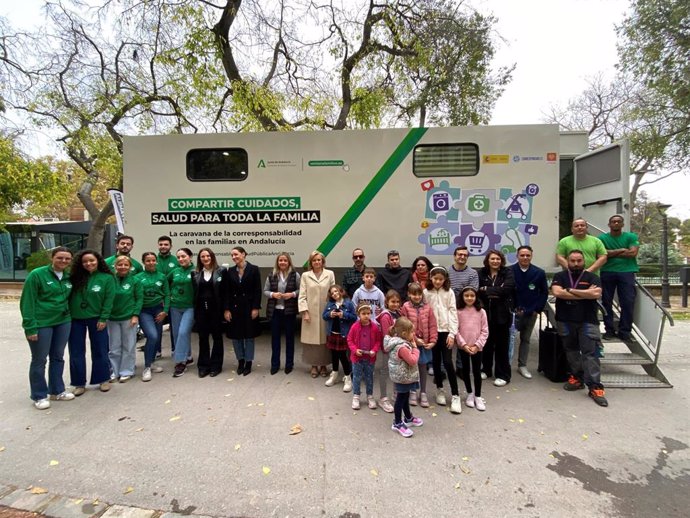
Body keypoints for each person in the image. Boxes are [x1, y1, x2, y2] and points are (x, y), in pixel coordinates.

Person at [551, 250, 608, 407]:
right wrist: (585, 293)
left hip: (587, 322)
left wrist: (570, 290)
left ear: (584, 261)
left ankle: (595, 387)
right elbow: (557, 292)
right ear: (567, 262)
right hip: (565, 321)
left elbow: (595, 294)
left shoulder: (592, 277)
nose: (576, 263)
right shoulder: (560, 277)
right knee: (571, 351)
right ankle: (577, 378)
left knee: (590, 354)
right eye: (573, 260)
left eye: (579, 260)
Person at [20, 247, 75, 409]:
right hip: (42, 323)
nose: (63, 261)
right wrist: (30, 327)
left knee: (58, 357)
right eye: (60, 258)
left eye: (67, 259)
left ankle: (57, 391)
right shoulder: (37, 275)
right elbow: (27, 302)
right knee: (39, 359)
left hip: (63, 321)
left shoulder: (68, 276)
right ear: (52, 258)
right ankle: (39, 395)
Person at [68, 249, 116, 395]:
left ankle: (103, 379)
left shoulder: (107, 278)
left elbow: (109, 300)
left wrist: (103, 317)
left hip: (97, 318)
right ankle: (78, 383)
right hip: (75, 319)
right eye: (85, 261)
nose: (89, 263)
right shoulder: (73, 277)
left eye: (92, 260)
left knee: (100, 350)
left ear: (98, 261)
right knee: (76, 352)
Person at [424, 266, 461, 414]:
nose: (438, 281)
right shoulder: (426, 292)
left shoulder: (449, 292)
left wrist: (452, 333)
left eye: (441, 279)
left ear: (445, 279)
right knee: (436, 361)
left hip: (446, 331)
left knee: (447, 361)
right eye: (435, 279)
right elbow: (425, 312)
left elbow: (453, 311)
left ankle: (455, 395)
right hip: (433, 332)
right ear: (431, 278)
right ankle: (439, 389)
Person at [598, 214, 640, 341]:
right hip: (607, 271)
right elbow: (602, 253)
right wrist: (622, 250)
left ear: (622, 224)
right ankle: (609, 330)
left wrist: (612, 253)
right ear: (609, 224)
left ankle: (625, 331)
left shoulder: (631, 236)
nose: (616, 224)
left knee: (627, 302)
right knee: (606, 302)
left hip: (627, 272)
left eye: (618, 222)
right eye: (613, 222)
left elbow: (633, 253)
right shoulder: (602, 238)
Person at [478, 249, 515, 387]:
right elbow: (477, 291)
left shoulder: (508, 272)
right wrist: (494, 291)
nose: (495, 261)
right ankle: (486, 370)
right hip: (486, 315)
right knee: (486, 344)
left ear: (501, 261)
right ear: (488, 260)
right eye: (492, 259)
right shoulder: (481, 273)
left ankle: (503, 374)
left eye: (498, 259)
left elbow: (507, 290)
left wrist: (486, 289)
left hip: (503, 315)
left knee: (502, 346)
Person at [510, 246, 548, 379]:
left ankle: (522, 365)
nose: (525, 258)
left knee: (525, 339)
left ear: (531, 256)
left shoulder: (539, 272)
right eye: (522, 255)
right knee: (508, 340)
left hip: (531, 312)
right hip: (512, 312)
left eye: (527, 255)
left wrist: (537, 309)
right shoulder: (509, 271)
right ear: (517, 256)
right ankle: (505, 364)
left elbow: (544, 292)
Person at [223, 246, 262, 376]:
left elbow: (257, 290)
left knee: (249, 336)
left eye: (236, 254)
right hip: (234, 308)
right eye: (232, 255)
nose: (234, 257)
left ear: (244, 254)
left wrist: (256, 307)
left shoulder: (254, 269)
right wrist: (226, 309)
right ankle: (240, 361)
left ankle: (249, 362)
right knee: (236, 336)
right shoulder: (229, 271)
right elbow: (226, 292)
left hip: (249, 307)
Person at [298, 251, 336, 378]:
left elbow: (333, 293)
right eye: (314, 260)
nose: (317, 262)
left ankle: (324, 365)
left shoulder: (330, 274)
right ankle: (314, 365)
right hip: (310, 313)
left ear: (322, 261)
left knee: (325, 340)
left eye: (319, 260)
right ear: (311, 262)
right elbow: (302, 296)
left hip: (326, 312)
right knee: (311, 341)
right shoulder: (305, 275)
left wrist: (332, 310)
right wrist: (305, 312)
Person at [400, 282, 437, 408]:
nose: (417, 297)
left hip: (425, 343)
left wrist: (433, 341)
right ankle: (413, 391)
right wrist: (414, 338)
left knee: (422, 368)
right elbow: (403, 325)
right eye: (413, 294)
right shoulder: (405, 307)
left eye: (419, 294)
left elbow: (432, 324)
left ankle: (423, 392)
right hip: (411, 343)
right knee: (412, 368)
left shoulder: (427, 307)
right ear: (409, 294)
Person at [107, 256, 143, 383]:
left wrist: (135, 315)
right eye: (120, 265)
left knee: (129, 345)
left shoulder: (135, 280)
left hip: (128, 318)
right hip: (112, 318)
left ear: (130, 267)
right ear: (115, 266)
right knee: (114, 347)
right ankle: (114, 371)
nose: (123, 267)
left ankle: (127, 371)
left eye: (126, 265)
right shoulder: (110, 280)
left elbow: (139, 299)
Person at [387, 317, 424, 438]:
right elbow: (412, 360)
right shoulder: (402, 347)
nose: (414, 334)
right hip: (402, 377)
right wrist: (415, 348)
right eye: (412, 332)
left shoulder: (401, 343)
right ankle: (397, 422)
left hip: (405, 376)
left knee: (405, 396)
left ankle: (408, 417)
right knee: (401, 398)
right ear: (404, 333)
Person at [265, 252, 300, 375]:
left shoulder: (295, 275)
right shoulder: (271, 275)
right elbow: (265, 291)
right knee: (275, 339)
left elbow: (301, 290)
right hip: (275, 311)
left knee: (290, 339)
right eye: (280, 260)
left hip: (289, 311)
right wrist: (273, 294)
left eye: (285, 260)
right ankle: (275, 364)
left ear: (289, 262)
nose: (283, 262)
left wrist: (292, 294)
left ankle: (289, 364)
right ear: (277, 262)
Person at [136, 252, 168, 382]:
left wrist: (165, 311)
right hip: (144, 311)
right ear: (144, 262)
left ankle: (152, 361)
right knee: (152, 336)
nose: (151, 263)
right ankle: (147, 367)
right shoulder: (137, 277)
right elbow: (136, 296)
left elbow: (166, 294)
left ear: (156, 261)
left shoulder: (162, 277)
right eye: (148, 261)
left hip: (158, 310)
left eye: (153, 260)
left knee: (158, 336)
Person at [456, 287, 489, 411]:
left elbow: (485, 331)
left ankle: (478, 395)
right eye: (466, 296)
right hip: (463, 347)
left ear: (476, 297)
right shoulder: (458, 311)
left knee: (476, 371)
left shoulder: (481, 312)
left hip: (477, 348)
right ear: (462, 297)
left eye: (472, 296)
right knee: (465, 370)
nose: (469, 298)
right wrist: (464, 345)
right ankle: (470, 393)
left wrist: (477, 345)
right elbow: (456, 330)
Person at [194, 248, 225, 377]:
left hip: (216, 310)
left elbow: (225, 291)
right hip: (201, 310)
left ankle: (216, 365)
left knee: (217, 338)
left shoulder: (221, 271)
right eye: (202, 257)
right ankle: (203, 365)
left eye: (208, 256)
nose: (205, 259)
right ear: (199, 259)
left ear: (212, 257)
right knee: (203, 338)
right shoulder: (195, 273)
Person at [448, 246, 478, 376]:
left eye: (465, 255)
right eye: (459, 254)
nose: (462, 257)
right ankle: (446, 368)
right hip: (448, 310)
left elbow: (472, 292)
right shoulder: (447, 271)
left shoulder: (472, 273)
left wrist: (459, 295)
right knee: (447, 339)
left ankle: (461, 368)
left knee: (462, 338)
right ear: (454, 256)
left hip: (464, 310)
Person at [348, 303, 382, 410]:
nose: (366, 316)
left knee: (369, 377)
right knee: (356, 377)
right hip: (357, 358)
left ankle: (370, 396)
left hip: (370, 358)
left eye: (368, 313)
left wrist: (374, 350)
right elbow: (350, 340)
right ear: (359, 314)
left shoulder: (375, 327)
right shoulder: (354, 327)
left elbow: (378, 341)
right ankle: (356, 396)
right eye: (363, 313)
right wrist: (354, 350)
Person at [322, 284, 356, 390]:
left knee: (343, 356)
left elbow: (354, 317)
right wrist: (330, 314)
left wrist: (344, 315)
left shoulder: (348, 303)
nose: (334, 294)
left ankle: (348, 377)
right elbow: (324, 315)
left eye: (336, 291)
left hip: (343, 334)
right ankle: (334, 374)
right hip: (333, 333)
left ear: (341, 291)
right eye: (332, 293)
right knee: (334, 355)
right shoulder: (330, 304)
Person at [168, 248, 195, 378]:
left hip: (190, 306)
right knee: (176, 333)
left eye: (183, 256)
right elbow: (164, 284)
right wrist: (167, 297)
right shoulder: (175, 272)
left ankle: (180, 362)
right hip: (175, 306)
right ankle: (188, 356)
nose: (181, 259)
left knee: (183, 332)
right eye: (178, 257)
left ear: (190, 257)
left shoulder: (196, 271)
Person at [376, 290, 402, 413]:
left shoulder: (398, 313)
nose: (395, 304)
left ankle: (395, 393)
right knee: (384, 372)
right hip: (387, 349)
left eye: (397, 302)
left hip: (396, 349)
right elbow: (387, 335)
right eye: (392, 302)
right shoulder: (386, 316)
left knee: (395, 371)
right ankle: (383, 397)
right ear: (386, 302)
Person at [155, 235, 178, 358]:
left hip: (173, 298)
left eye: (166, 244)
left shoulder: (176, 260)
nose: (163, 246)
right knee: (157, 326)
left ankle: (175, 350)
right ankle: (157, 351)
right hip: (157, 299)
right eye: (161, 244)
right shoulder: (153, 259)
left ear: (170, 246)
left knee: (174, 327)